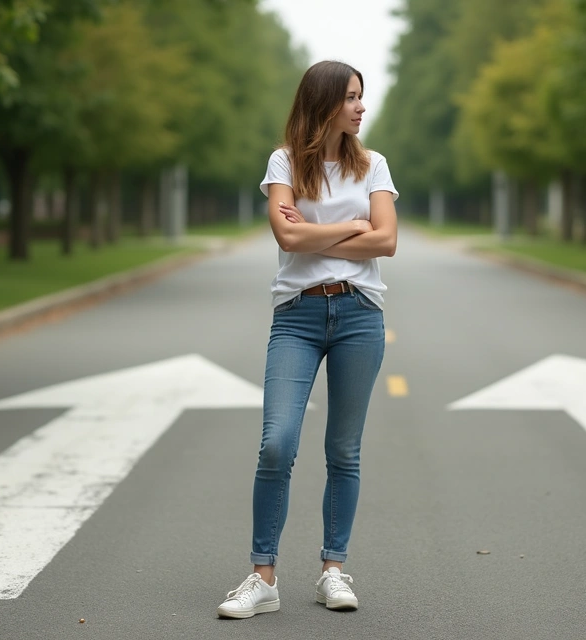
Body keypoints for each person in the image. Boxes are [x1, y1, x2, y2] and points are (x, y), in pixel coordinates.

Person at [216, 60, 399, 619]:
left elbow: (387, 242)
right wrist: (352, 228)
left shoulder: (373, 164)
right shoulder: (285, 161)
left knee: (343, 450)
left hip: (359, 314)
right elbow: (284, 236)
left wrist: (315, 236)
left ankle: (333, 571)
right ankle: (262, 577)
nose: (360, 107)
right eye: (349, 97)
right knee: (278, 443)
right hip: (295, 315)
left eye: (361, 97)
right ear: (323, 102)